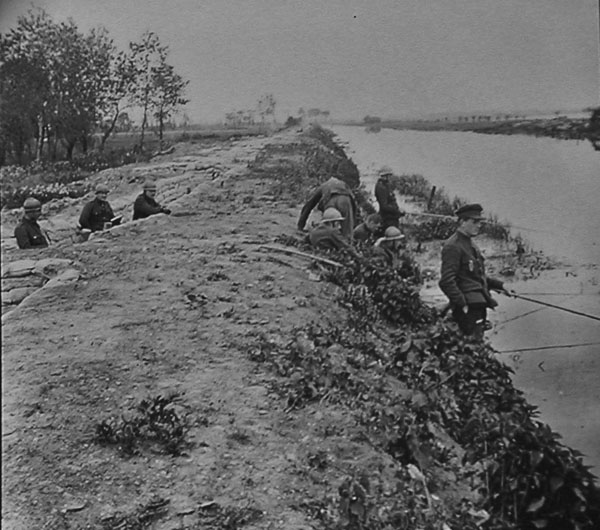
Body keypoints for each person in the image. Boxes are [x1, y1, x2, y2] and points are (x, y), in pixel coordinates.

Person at [439, 203, 511, 338]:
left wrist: (502, 286)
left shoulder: (471, 244)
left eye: (480, 222)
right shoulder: (453, 246)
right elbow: (446, 281)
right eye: (474, 222)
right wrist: (461, 303)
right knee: (472, 343)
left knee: (477, 340)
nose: (479, 225)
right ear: (462, 222)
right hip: (468, 307)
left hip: (478, 304)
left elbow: (478, 277)